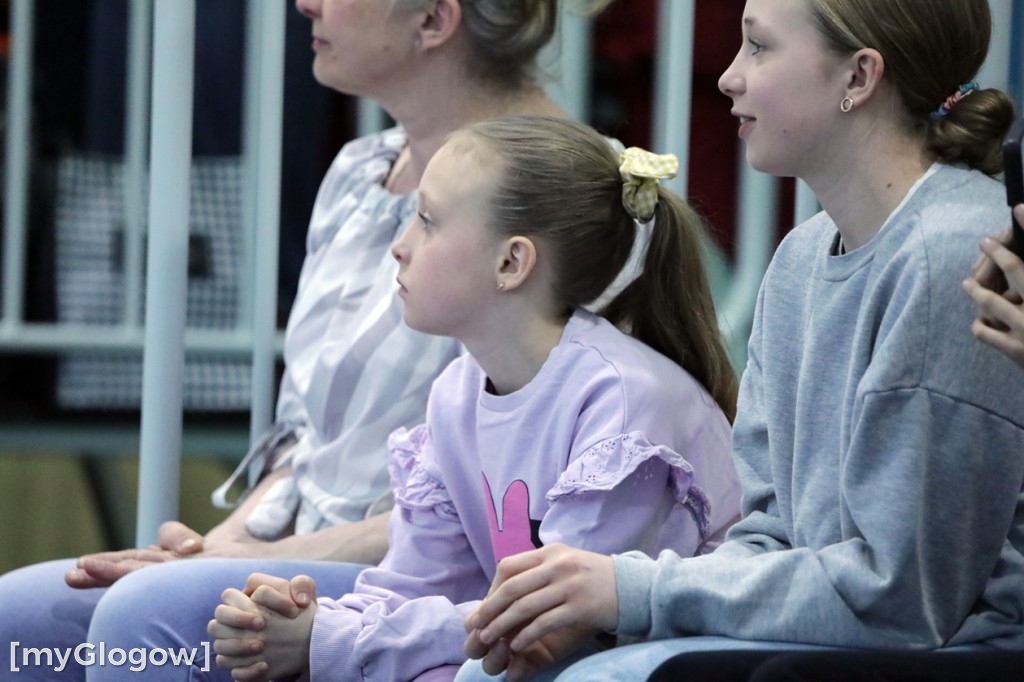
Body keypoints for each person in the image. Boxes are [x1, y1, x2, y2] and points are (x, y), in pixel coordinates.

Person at [0, 0, 620, 679]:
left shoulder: (577, 200)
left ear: (434, 21)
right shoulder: (358, 168)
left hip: (429, 585)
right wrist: (213, 548)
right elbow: (304, 441)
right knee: (17, 618)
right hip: (298, 553)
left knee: (144, 617)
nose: (305, 4)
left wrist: (243, 563)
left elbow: (517, 503)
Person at [459, 1, 1024, 681]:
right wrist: (605, 609)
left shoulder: (950, 255)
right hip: (837, 635)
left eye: (758, 47)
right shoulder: (800, 257)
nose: (729, 77)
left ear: (858, 77)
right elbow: (768, 536)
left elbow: (902, 599)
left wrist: (632, 592)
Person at [205, 114, 743, 682]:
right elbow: (413, 587)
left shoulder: (623, 398)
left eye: (427, 221)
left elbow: (553, 627)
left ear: (511, 262)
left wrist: (331, 640)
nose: (399, 248)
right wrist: (304, 621)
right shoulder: (455, 395)